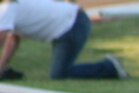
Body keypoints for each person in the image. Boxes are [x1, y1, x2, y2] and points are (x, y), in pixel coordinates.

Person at [0, 0, 128, 81]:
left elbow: (3, 37)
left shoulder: (7, 9)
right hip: (70, 24)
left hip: (71, 26)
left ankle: (109, 67)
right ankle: (109, 66)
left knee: (60, 74)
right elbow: (13, 39)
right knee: (61, 72)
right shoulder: (11, 6)